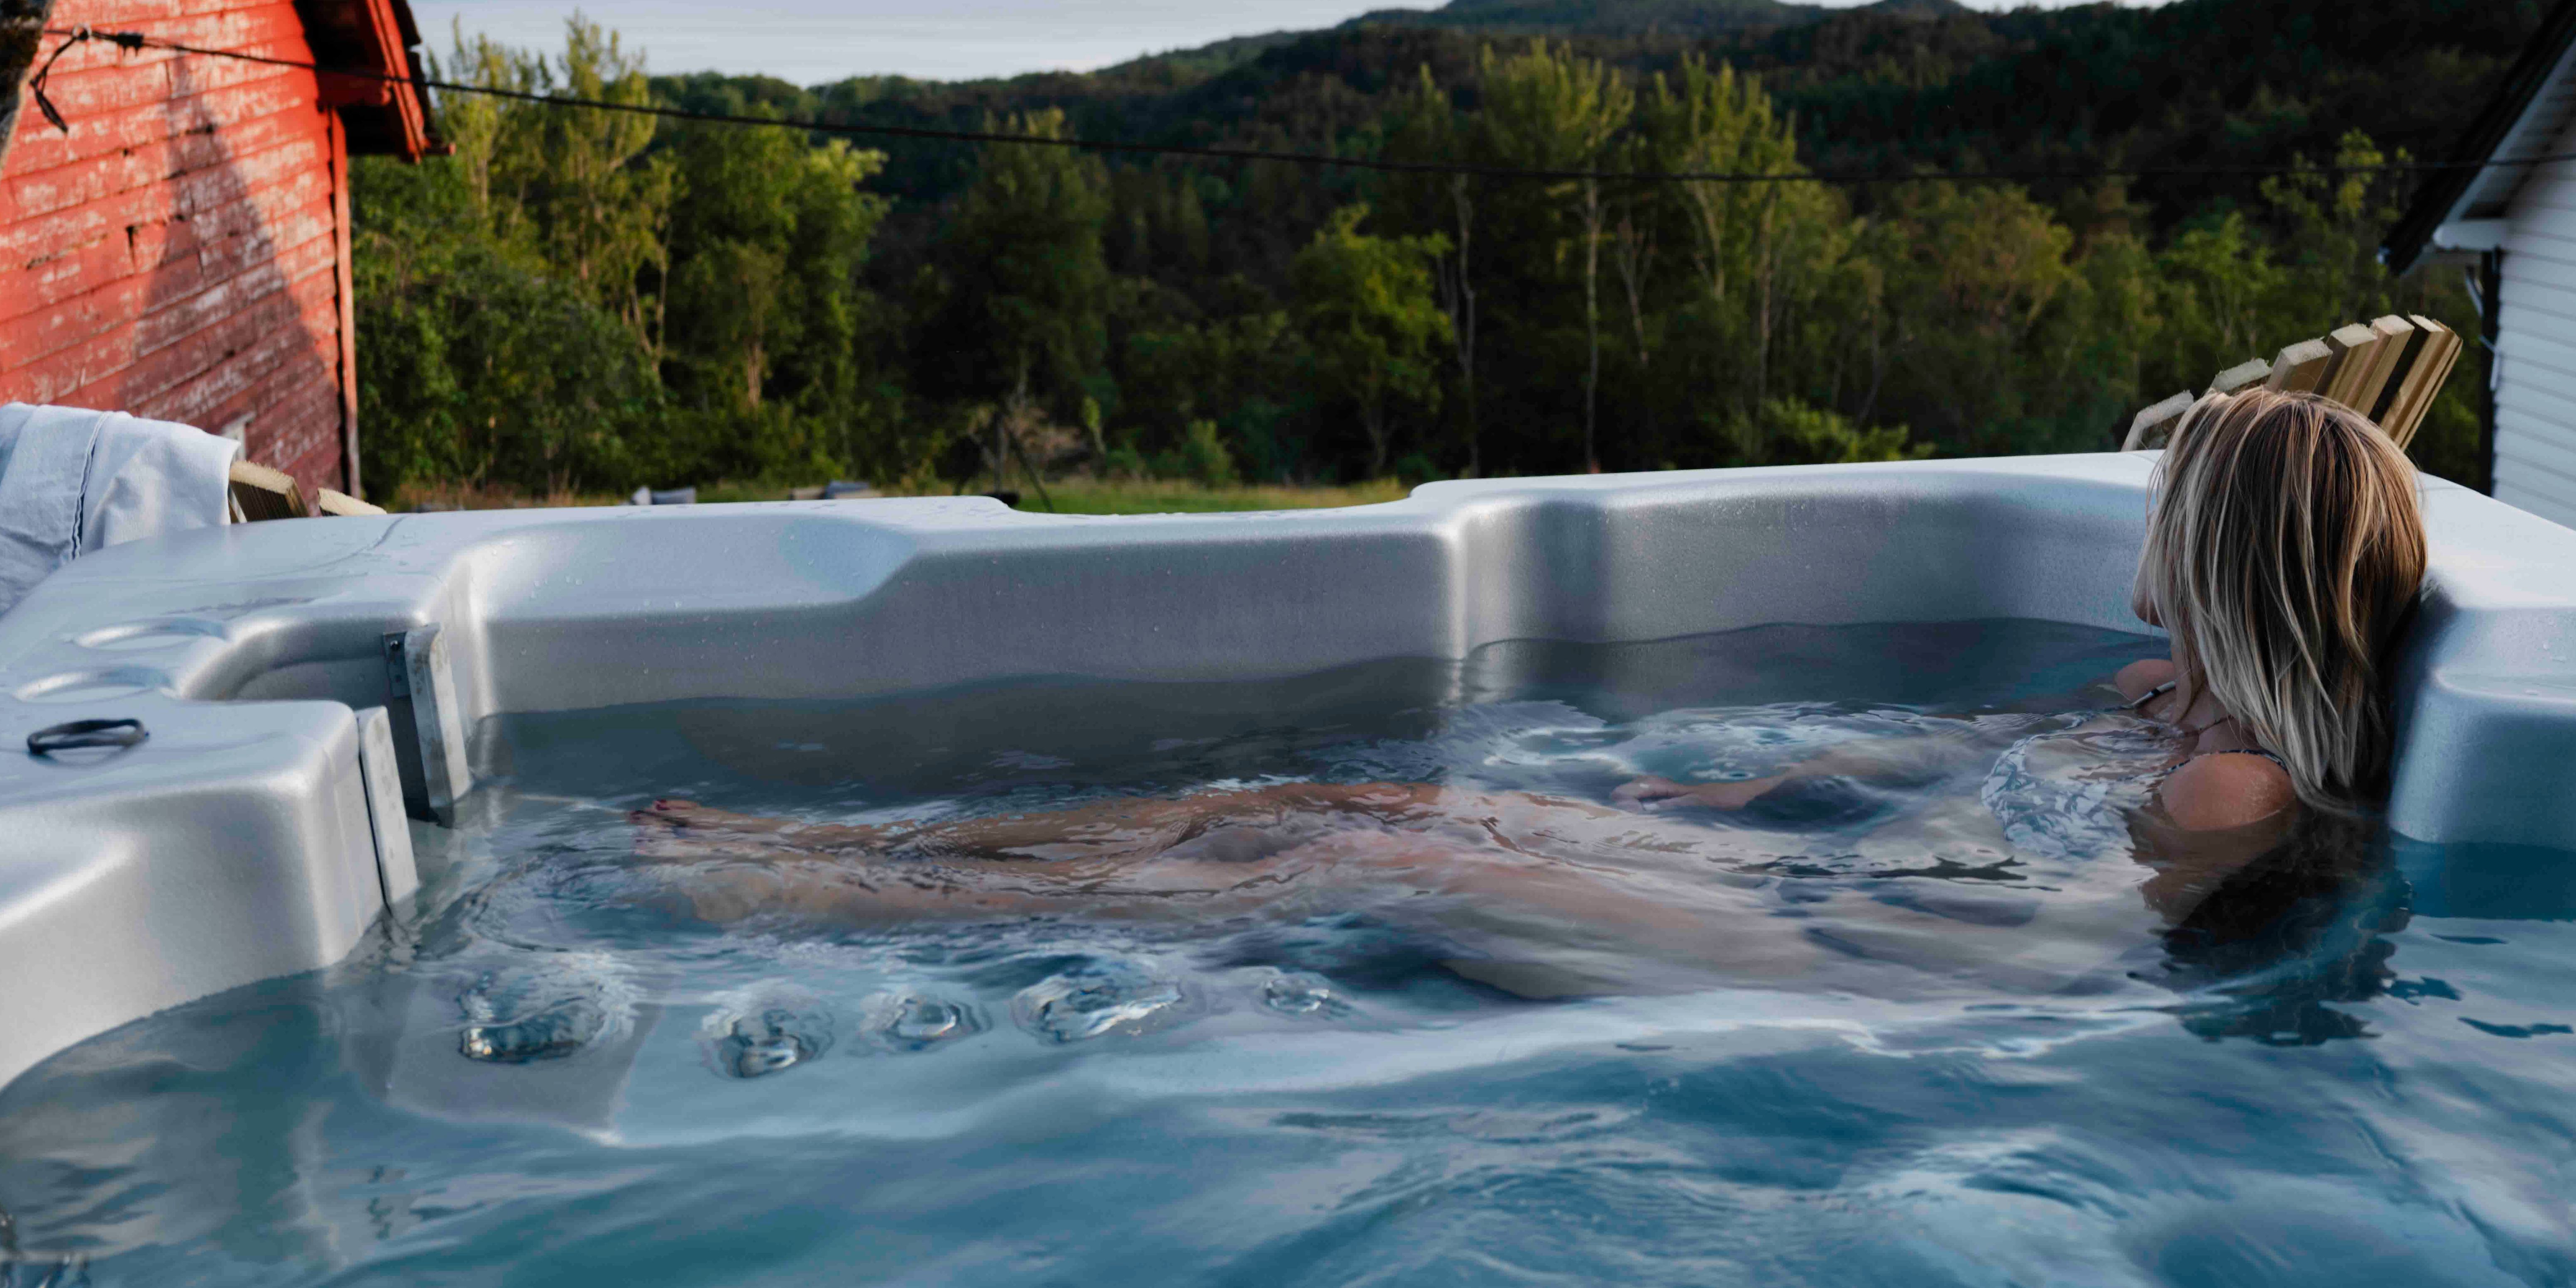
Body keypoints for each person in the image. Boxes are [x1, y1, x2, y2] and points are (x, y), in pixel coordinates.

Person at [627, 385, 2430, 995]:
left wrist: (1742, 879)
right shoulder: (2157, 704)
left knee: (1370, 853)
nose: (2142, 529)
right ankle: (864, 863)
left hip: (1839, 968)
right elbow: (1931, 772)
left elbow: (2029, 946)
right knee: (1337, 806)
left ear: (2226, 556)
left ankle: (831, 905)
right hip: (1808, 888)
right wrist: (1721, 802)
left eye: (2172, 507)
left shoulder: (2238, 787)